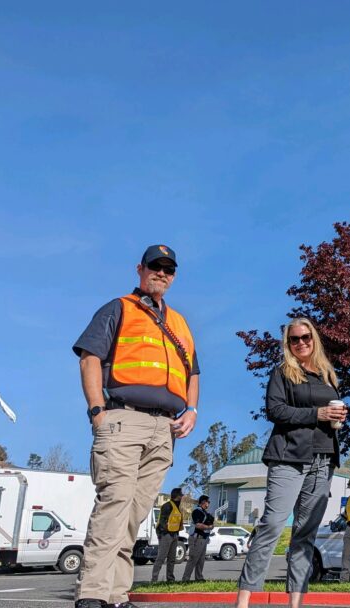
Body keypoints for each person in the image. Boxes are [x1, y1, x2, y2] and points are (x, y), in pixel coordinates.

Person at [73, 244, 200, 608]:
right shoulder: (118, 308)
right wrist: (97, 411)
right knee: (114, 503)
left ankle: (116, 594)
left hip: (165, 430)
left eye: (168, 269)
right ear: (140, 269)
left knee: (134, 515)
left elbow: (193, 372)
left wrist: (192, 409)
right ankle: (93, 593)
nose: (162, 273)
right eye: (155, 266)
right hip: (123, 419)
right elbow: (89, 359)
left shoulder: (180, 323)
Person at [235, 318, 346, 608]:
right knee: (272, 524)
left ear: (314, 338)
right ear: (288, 344)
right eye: (294, 339)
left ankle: (295, 603)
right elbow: (275, 411)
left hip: (323, 458)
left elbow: (328, 412)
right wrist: (317, 414)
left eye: (305, 337)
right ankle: (243, 601)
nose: (300, 343)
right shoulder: (282, 373)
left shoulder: (327, 374)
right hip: (288, 457)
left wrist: (336, 416)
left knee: (305, 533)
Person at [151, 488, 185, 582]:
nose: (182, 496)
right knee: (161, 558)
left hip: (174, 534)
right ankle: (154, 580)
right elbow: (162, 521)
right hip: (166, 535)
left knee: (172, 559)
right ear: (177, 496)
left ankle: (170, 579)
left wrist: (175, 533)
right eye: (181, 495)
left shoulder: (177, 507)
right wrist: (164, 532)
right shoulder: (167, 506)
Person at [182, 495, 214, 582]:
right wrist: (209, 527)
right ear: (203, 502)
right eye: (208, 502)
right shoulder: (197, 511)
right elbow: (198, 525)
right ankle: (185, 579)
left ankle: (199, 578)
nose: (209, 503)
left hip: (203, 538)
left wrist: (210, 524)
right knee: (193, 559)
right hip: (197, 538)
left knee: (201, 560)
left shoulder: (205, 512)